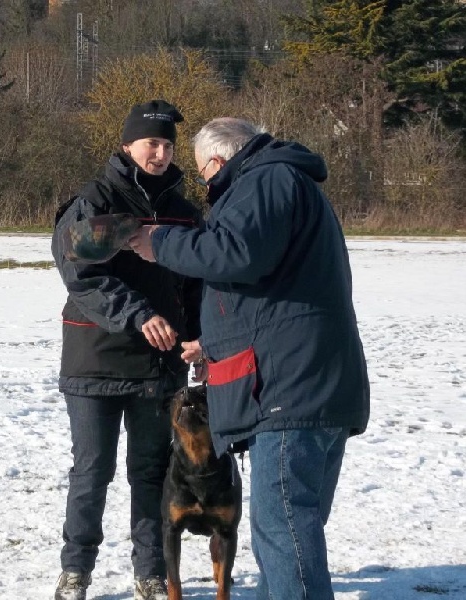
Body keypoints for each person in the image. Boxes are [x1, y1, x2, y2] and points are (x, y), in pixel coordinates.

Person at [128, 117, 370, 599]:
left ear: (218, 162)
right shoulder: (285, 181)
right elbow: (272, 294)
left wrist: (159, 243)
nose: (206, 188)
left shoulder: (265, 180)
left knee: (284, 535)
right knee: (285, 536)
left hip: (290, 392)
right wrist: (214, 345)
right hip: (312, 383)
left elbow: (235, 253)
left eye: (204, 176)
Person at [50, 100, 203, 600]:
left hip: (160, 365)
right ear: (126, 146)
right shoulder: (96, 201)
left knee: (152, 472)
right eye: (150, 144)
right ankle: (76, 571)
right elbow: (82, 275)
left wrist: (200, 337)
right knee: (92, 471)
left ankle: (151, 573)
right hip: (95, 358)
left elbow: (197, 285)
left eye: (167, 146)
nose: (160, 154)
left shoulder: (184, 213)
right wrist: (139, 315)